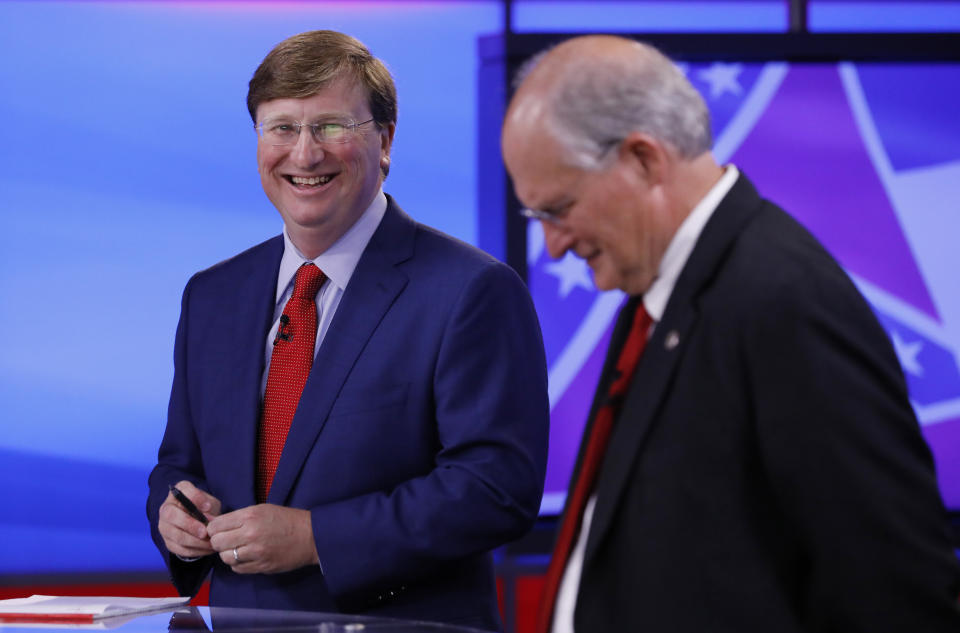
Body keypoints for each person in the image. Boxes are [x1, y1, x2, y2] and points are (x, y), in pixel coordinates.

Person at [501, 34, 960, 633]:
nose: (553, 245)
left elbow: (894, 588)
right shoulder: (652, 293)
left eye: (558, 209)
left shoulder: (785, 302)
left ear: (643, 159)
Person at [147, 30, 549, 631]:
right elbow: (178, 463)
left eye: (332, 127)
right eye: (282, 128)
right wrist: (175, 516)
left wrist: (317, 538)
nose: (305, 155)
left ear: (384, 142)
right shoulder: (212, 295)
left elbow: (495, 489)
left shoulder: (470, 290)